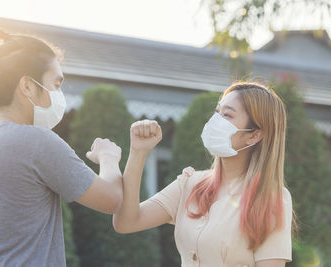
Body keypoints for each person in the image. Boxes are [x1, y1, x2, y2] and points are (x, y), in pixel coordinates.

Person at [0, 27, 123, 267]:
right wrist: (108, 156)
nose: (60, 94)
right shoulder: (36, 142)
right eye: (56, 84)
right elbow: (112, 199)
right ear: (27, 86)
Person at [114, 82, 294, 267]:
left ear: (254, 135)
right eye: (217, 112)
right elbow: (126, 222)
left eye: (227, 115)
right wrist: (138, 152)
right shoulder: (190, 183)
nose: (216, 120)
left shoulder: (272, 199)